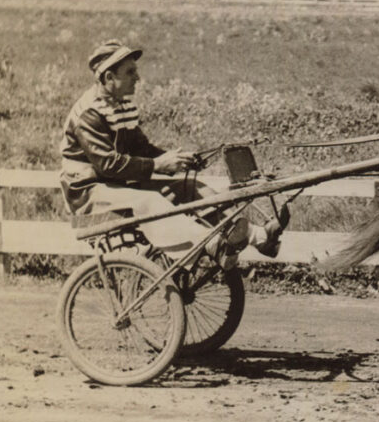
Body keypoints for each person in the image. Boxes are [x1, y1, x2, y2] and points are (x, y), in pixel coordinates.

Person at [59, 39, 286, 269]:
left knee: (190, 187)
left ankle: (258, 237)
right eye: (130, 72)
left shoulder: (120, 105)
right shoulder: (89, 113)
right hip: (89, 195)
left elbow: (143, 149)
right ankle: (212, 244)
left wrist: (176, 161)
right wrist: (158, 165)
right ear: (109, 78)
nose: (137, 78)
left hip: (115, 185)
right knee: (150, 201)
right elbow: (107, 165)